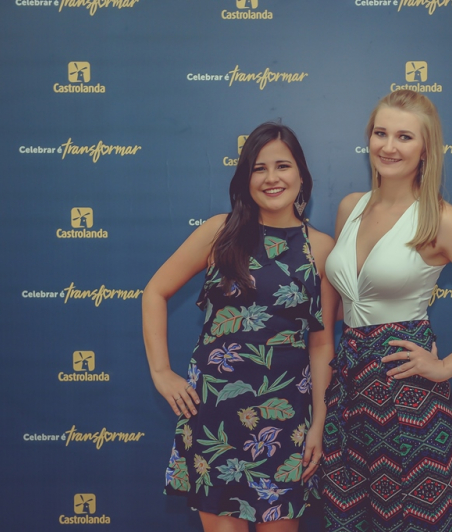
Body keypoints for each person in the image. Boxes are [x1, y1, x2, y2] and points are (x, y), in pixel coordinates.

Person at [320, 90, 452, 532]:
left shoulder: (440, 219)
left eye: (404, 137)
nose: (388, 146)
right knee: (347, 517)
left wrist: (448, 365)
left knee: (413, 519)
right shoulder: (350, 207)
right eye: (380, 133)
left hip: (406, 393)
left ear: (425, 149)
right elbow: (341, 307)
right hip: (347, 389)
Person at [142, 122, 337, 531]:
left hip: (286, 418)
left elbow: (321, 345)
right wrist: (161, 372)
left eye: (282, 166)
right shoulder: (220, 231)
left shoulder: (321, 248)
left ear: (301, 175)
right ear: (245, 177)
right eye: (258, 168)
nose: (271, 178)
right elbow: (155, 291)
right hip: (216, 412)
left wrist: (319, 422)